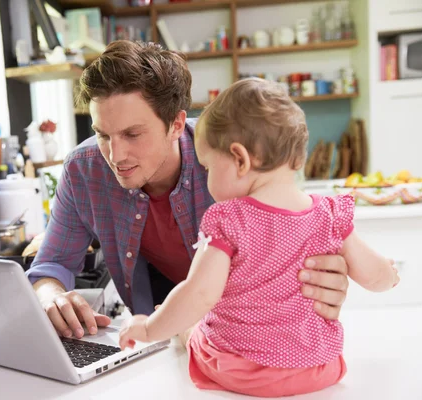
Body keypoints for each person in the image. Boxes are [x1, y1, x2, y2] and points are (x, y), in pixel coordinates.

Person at [26, 40, 352, 341]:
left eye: (133, 134)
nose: (115, 155)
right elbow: (51, 266)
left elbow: (298, 240)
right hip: (152, 329)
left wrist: (324, 277)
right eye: (103, 134)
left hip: (241, 331)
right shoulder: (83, 169)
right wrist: (50, 297)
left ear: (176, 124)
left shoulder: (231, 164)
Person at [118, 78, 400, 397]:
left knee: (193, 326)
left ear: (240, 160)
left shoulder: (227, 219)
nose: (207, 178)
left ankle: (180, 332)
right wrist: (390, 273)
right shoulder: (331, 213)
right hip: (318, 368)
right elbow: (375, 276)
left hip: (242, 370)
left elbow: (198, 295)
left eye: (209, 168)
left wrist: (149, 327)